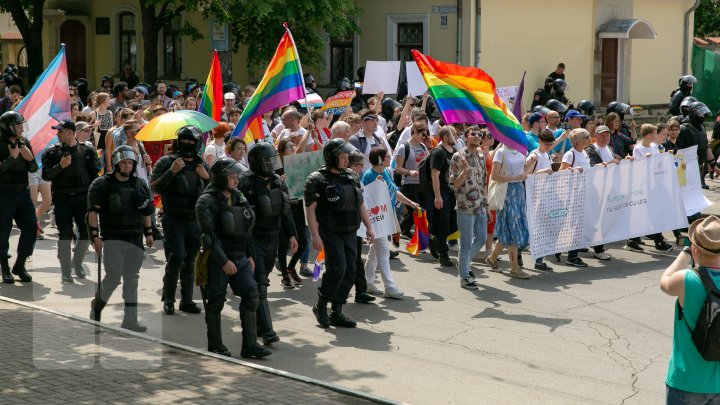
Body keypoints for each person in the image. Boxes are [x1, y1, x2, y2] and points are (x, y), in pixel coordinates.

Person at [195, 157, 272, 359]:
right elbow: (208, 237)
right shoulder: (206, 201)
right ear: (220, 178)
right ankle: (215, 345)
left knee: (252, 294)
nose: (236, 181)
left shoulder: (238, 197)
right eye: (232, 177)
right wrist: (223, 262)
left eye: (237, 176)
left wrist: (249, 255)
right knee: (215, 302)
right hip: (218, 260)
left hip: (240, 257)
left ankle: (250, 345)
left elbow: (246, 229)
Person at [304, 138, 375, 328]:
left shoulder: (351, 176)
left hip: (351, 230)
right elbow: (310, 209)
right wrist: (315, 235)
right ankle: (320, 304)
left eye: (347, 157)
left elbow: (360, 203)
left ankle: (337, 310)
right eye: (342, 157)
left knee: (351, 271)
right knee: (338, 269)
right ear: (331, 157)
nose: (346, 160)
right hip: (330, 231)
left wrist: (369, 227)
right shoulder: (317, 179)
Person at [87, 145, 154, 331]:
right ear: (116, 163)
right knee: (114, 277)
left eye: (130, 163)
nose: (127, 166)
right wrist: (95, 236)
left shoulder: (139, 184)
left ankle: (130, 320)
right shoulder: (102, 184)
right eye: (123, 162)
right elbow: (92, 212)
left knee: (132, 279)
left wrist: (148, 233)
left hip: (135, 237)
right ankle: (97, 307)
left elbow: (146, 210)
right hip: (113, 238)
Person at [239, 143, 297, 345]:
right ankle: (267, 331)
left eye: (273, 160)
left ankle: (253, 325)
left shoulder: (277, 182)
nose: (272, 165)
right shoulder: (244, 183)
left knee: (258, 284)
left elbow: (287, 210)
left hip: (274, 239)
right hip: (255, 240)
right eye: (268, 161)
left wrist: (292, 235)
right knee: (260, 285)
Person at [660, 215, 720, 403]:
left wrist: (685, 254)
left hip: (686, 380)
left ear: (695, 249)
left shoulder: (686, 279)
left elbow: (664, 282)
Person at [151, 126, 207, 315]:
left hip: (195, 219)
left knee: (190, 261)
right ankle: (168, 299)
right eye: (184, 140)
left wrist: (207, 178)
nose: (188, 144)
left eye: (192, 141)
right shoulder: (167, 161)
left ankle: (187, 300)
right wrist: (172, 172)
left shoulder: (201, 164)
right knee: (177, 259)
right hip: (173, 218)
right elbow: (155, 188)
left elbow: (214, 191)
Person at [41, 120, 100, 283]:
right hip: (62, 197)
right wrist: (60, 167)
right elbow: (46, 175)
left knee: (86, 232)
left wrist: (96, 200)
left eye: (60, 132)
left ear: (69, 132)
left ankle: (77, 263)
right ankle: (66, 271)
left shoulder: (87, 151)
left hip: (82, 197)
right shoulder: (52, 152)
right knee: (65, 234)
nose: (57, 135)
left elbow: (95, 176)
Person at [362, 147, 419, 298]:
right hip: (376, 218)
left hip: (387, 215)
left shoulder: (386, 172)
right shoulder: (369, 176)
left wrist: (410, 203)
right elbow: (366, 199)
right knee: (383, 251)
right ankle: (389, 286)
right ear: (380, 159)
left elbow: (394, 192)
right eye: (387, 156)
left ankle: (368, 283)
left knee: (375, 252)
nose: (390, 158)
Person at [449, 126, 490, 289]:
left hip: (480, 204)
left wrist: (486, 205)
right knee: (465, 244)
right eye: (473, 134)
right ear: (466, 137)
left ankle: (464, 264)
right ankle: (464, 276)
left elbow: (483, 182)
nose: (477, 136)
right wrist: (463, 174)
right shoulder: (457, 157)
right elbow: (454, 184)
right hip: (464, 205)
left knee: (481, 238)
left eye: (479, 134)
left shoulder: (481, 155)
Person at [485, 141, 532, 279]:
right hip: (506, 191)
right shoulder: (500, 152)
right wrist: (514, 177)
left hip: (518, 190)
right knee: (512, 229)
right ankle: (514, 268)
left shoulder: (521, 150)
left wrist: (531, 163)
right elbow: (494, 176)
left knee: (507, 229)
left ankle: (492, 258)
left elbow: (523, 172)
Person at [624, 124, 674, 253]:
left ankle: (633, 240)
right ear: (648, 135)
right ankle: (658, 241)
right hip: (643, 185)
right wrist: (644, 160)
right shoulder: (638, 149)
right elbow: (638, 165)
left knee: (650, 212)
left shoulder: (653, 146)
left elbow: (658, 163)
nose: (657, 135)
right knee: (647, 212)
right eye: (655, 133)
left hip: (654, 184)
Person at [0, 111, 36, 283]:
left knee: (31, 228)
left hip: (23, 193)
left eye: (22, 124)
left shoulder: (24, 142)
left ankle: (20, 264)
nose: (21, 128)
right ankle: (5, 268)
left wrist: (29, 159)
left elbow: (34, 168)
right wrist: (11, 159)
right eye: (18, 125)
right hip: (4, 194)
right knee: (3, 232)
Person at [525, 129, 559, 270]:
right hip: (536, 196)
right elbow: (527, 173)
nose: (548, 146)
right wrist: (543, 171)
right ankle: (521, 252)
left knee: (545, 226)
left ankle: (539, 257)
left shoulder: (547, 154)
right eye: (546, 144)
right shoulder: (535, 154)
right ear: (539, 141)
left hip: (547, 195)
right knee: (538, 228)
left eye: (550, 144)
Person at [348, 150, 375, 304]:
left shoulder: (357, 179)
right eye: (358, 165)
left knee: (356, 259)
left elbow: (362, 204)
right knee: (345, 261)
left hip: (356, 226)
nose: (361, 169)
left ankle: (361, 290)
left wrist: (368, 227)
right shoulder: (345, 179)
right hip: (342, 227)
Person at [394, 122, 430, 238]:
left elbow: (429, 162)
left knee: (420, 212)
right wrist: (409, 172)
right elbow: (398, 168)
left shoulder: (423, 146)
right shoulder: (404, 147)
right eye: (421, 134)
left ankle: (399, 231)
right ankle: (421, 241)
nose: (423, 137)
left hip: (422, 184)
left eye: (424, 135)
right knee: (417, 212)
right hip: (409, 184)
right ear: (414, 131)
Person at [428, 126, 458, 267]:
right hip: (443, 192)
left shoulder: (455, 152)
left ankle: (434, 237)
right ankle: (443, 254)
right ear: (445, 137)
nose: (457, 137)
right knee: (444, 223)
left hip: (454, 192)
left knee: (454, 223)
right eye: (454, 134)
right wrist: (437, 196)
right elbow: (435, 175)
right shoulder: (438, 152)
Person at [678, 102, 713, 190]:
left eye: (703, 114)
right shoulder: (683, 129)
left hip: (699, 166)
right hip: (686, 167)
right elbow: (677, 150)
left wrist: (713, 164)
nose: (702, 117)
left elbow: (706, 146)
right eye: (700, 114)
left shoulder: (702, 128)